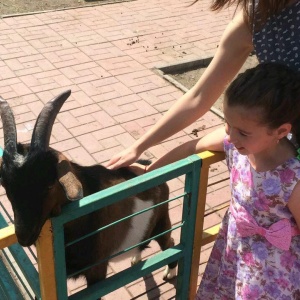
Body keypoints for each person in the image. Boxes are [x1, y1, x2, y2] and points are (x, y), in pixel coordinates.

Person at [133, 62, 300, 299]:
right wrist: (150, 171)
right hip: (234, 257)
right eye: (228, 124)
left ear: (281, 132)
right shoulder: (236, 144)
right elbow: (193, 146)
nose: (231, 136)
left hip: (275, 276)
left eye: (242, 132)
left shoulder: (293, 178)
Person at [106, 0, 300, 170]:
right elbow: (199, 96)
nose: (233, 136)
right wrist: (139, 148)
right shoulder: (255, 16)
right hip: (277, 132)